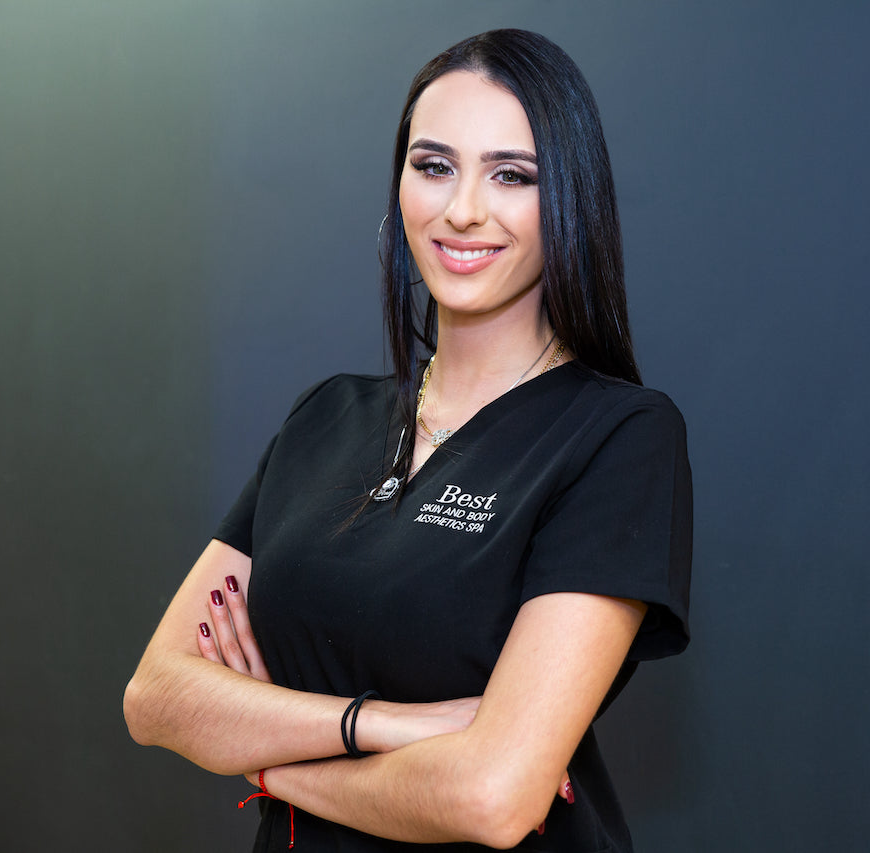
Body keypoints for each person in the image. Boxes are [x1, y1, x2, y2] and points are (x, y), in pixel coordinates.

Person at [124, 28, 692, 852]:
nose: (463, 209)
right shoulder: (326, 419)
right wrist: (388, 725)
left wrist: (271, 761)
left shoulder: (619, 437)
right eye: (434, 166)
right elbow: (156, 697)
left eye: (511, 175)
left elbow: (495, 797)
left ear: (567, 196)